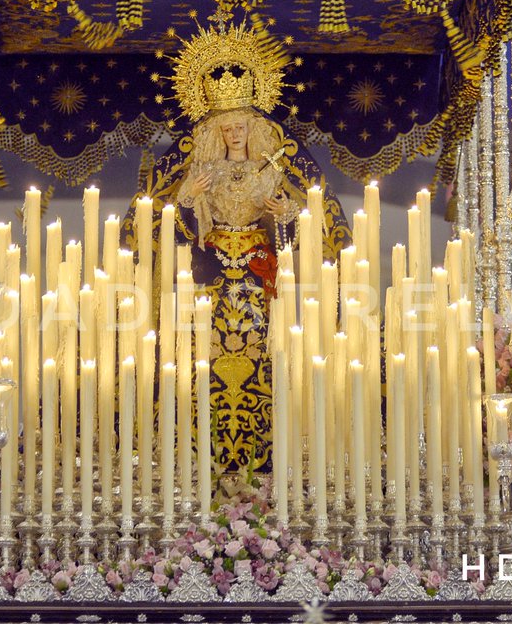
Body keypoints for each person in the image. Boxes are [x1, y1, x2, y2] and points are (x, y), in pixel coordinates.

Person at [125, 45, 348, 479]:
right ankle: (200, 445)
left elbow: (298, 232)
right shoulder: (203, 171)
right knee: (198, 353)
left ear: (253, 130)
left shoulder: (271, 171)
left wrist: (284, 214)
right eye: (226, 130)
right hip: (209, 271)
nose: (234, 136)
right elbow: (179, 229)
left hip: (259, 273)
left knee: (268, 349)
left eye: (241, 128)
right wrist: (187, 199)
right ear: (217, 132)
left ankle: (266, 445)